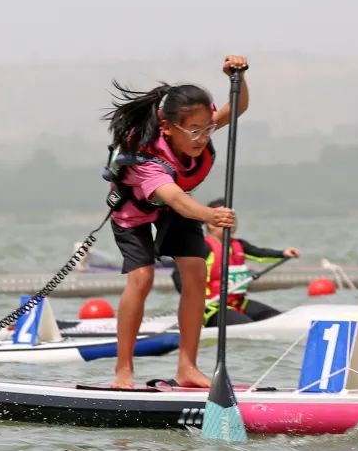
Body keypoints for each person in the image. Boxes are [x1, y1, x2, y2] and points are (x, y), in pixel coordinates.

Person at [103, 54, 249, 389]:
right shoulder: (147, 157)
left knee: (196, 273)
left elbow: (237, 108)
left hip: (178, 208)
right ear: (168, 129)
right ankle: (123, 371)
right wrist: (212, 215)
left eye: (208, 128)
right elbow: (176, 199)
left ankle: (187, 368)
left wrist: (237, 79)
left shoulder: (196, 127)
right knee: (142, 278)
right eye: (195, 131)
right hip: (134, 212)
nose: (203, 137)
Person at [176, 198, 300, 327]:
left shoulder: (239, 245)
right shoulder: (203, 247)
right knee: (249, 325)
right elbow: (177, 274)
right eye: (227, 219)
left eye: (233, 219)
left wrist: (283, 253)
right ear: (211, 224)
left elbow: (260, 254)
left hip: (238, 303)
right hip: (211, 308)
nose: (233, 224)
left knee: (276, 317)